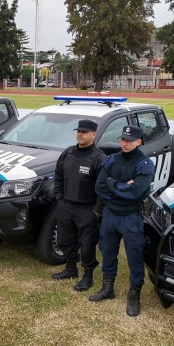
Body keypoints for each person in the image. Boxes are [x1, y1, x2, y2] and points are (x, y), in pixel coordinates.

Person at [90, 124, 155, 317]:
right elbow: (99, 187)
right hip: (110, 214)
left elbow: (135, 192)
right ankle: (107, 287)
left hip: (130, 217)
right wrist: (117, 186)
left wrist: (111, 184)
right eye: (122, 139)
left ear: (138, 141)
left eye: (129, 140)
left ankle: (134, 294)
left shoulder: (144, 164)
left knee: (134, 255)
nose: (124, 143)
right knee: (107, 250)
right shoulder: (112, 160)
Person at [52, 119, 106, 291]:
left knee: (87, 244)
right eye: (78, 131)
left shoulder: (99, 158)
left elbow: (104, 188)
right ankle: (71, 268)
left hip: (87, 209)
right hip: (66, 205)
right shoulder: (68, 153)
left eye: (84, 132)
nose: (80, 134)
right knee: (65, 239)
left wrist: (97, 212)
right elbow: (58, 176)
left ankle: (87, 275)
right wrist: (59, 199)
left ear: (93, 134)